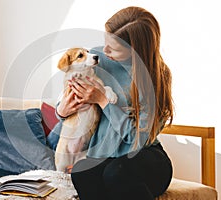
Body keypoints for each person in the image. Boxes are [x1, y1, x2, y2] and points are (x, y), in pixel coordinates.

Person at [56, 6, 173, 200]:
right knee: (82, 173)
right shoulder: (95, 58)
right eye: (105, 42)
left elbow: (137, 138)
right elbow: (70, 103)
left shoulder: (156, 77)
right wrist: (62, 110)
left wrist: (102, 100)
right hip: (103, 155)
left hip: (143, 156)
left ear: (135, 50)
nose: (104, 50)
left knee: (116, 173)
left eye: (114, 48)